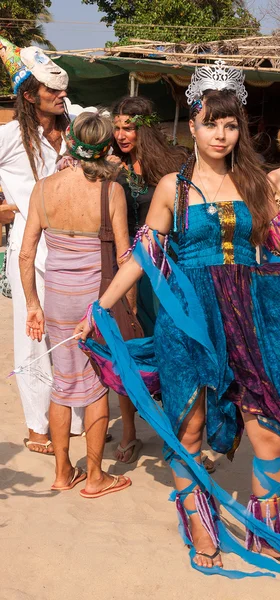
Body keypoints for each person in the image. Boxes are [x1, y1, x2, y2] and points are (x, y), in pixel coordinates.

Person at [73, 63, 280, 575]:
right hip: (188, 321)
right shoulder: (170, 190)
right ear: (193, 127)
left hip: (249, 319)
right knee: (190, 428)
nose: (221, 134)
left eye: (230, 124)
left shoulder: (256, 184)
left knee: (267, 432)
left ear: (239, 129)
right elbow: (141, 255)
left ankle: (266, 537)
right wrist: (99, 308)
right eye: (210, 123)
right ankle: (201, 528)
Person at [19, 112, 132, 496]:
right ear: (105, 148)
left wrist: (33, 304)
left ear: (70, 142)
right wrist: (127, 309)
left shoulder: (43, 188)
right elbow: (123, 259)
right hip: (93, 304)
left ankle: (63, 472)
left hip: (55, 300)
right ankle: (96, 476)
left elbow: (24, 254)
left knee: (62, 385)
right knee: (97, 385)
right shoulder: (111, 191)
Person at [0, 36, 84, 453]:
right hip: (29, 250)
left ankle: (74, 417)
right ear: (29, 95)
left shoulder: (76, 125)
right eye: (52, 89)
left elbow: (110, 124)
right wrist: (8, 208)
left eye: (63, 88)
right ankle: (37, 427)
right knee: (33, 335)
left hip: (76, 250)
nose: (61, 94)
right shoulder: (12, 135)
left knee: (73, 331)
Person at [111, 96, 187, 463]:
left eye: (128, 126)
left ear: (144, 126)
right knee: (133, 344)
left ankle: (180, 431)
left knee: (171, 346)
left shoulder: (173, 164)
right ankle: (130, 432)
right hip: (131, 272)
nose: (120, 133)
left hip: (169, 272)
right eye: (117, 126)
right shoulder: (113, 166)